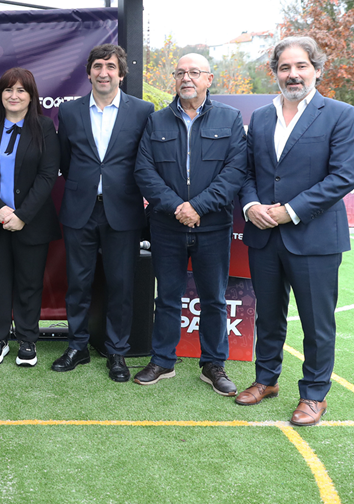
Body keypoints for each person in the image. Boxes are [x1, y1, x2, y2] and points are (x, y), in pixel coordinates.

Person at [236, 37, 354, 426]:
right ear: (275, 72)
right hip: (264, 236)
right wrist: (251, 205)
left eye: (301, 66)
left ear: (317, 69)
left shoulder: (340, 114)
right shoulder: (260, 116)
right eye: (285, 67)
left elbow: (343, 176)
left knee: (316, 322)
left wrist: (289, 212)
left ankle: (314, 395)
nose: (293, 74)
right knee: (268, 316)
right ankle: (266, 380)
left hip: (314, 238)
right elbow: (249, 172)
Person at [133, 54, 247, 394]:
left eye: (194, 72)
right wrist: (177, 207)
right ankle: (162, 360)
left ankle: (213, 364)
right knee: (167, 297)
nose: (187, 78)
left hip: (212, 226)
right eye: (181, 72)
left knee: (213, 298)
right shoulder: (156, 122)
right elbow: (144, 172)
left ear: (209, 79)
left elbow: (234, 173)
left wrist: (197, 207)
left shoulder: (230, 119)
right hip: (166, 225)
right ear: (174, 79)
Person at [52, 44, 154, 381]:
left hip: (122, 212)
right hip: (80, 210)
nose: (104, 72)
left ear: (121, 74)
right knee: (78, 284)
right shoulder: (69, 112)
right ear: (89, 72)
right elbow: (65, 162)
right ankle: (78, 346)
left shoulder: (142, 111)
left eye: (110, 66)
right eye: (98, 65)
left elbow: (144, 160)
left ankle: (117, 353)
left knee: (121, 285)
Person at [0, 67, 61, 367]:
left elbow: (48, 175)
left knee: (29, 282)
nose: (14, 95)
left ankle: (27, 340)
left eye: (21, 90)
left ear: (31, 96)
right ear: (0, 94)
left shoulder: (44, 128)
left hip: (30, 222)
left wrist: (22, 215)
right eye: (8, 89)